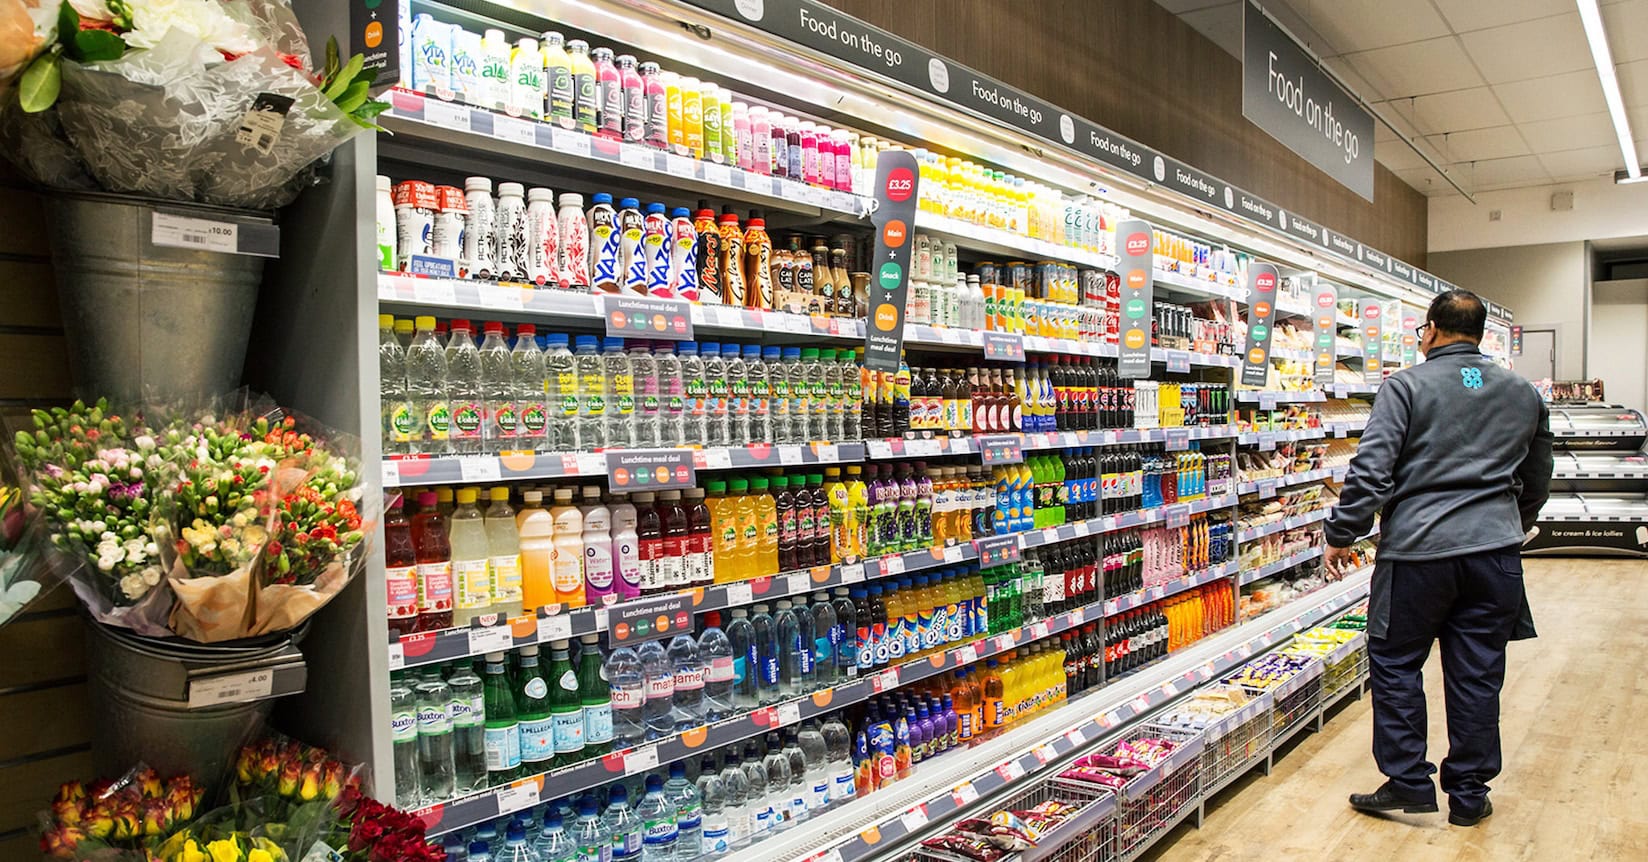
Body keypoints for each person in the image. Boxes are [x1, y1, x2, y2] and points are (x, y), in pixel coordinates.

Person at [1323, 289, 1551, 828]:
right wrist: (1508, 525)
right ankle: (1469, 795)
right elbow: (1539, 475)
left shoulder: (1405, 386)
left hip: (1418, 554)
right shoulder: (1522, 392)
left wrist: (1343, 532)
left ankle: (1408, 783)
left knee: (1397, 662)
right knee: (1478, 673)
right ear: (1481, 332)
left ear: (1430, 330)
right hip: (1494, 556)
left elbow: (1372, 470)